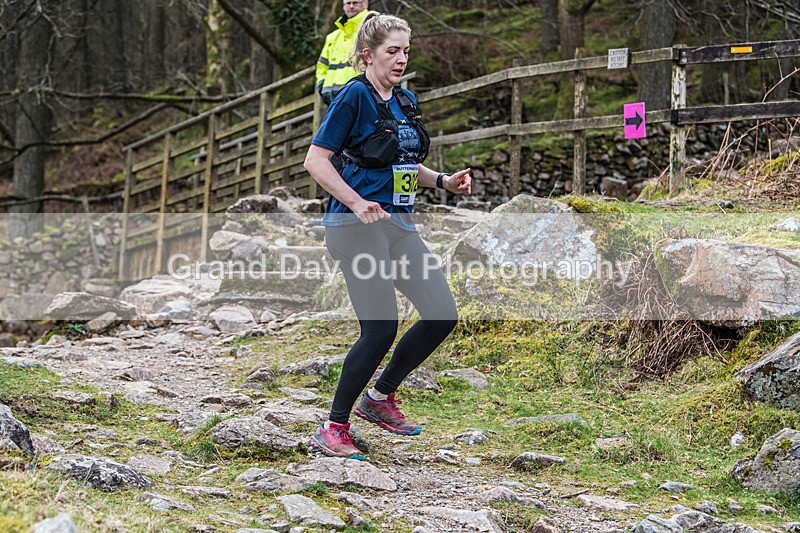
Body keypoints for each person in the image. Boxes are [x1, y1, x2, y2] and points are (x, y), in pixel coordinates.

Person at [303, 11, 473, 460]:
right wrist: (357, 203)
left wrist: (441, 181)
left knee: (441, 314)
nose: (400, 60)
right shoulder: (353, 96)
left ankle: (379, 399)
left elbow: (400, 162)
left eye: (405, 52)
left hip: (398, 224)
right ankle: (333, 426)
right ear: (368, 55)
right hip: (355, 227)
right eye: (391, 52)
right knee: (379, 328)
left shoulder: (404, 100)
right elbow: (316, 161)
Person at [315, 0, 370, 105]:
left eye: (355, 3)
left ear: (365, 3)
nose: (351, 6)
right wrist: (322, 87)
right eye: (348, 3)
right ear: (343, 6)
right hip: (333, 99)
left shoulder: (370, 32)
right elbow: (322, 66)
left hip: (361, 97)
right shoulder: (332, 37)